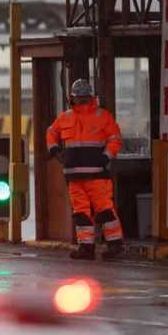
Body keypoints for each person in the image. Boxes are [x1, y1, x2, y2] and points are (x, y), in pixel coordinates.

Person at [47, 79, 124, 260]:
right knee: (80, 213)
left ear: (91, 97)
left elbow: (115, 139)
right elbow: (51, 132)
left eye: (84, 98)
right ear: (72, 98)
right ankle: (86, 248)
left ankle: (115, 245)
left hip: (97, 174)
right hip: (74, 175)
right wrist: (55, 150)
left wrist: (105, 156)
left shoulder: (102, 116)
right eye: (78, 98)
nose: (81, 101)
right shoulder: (64, 117)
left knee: (104, 209)